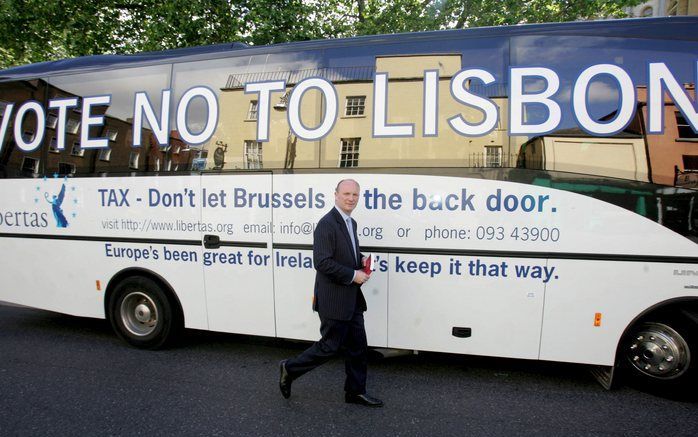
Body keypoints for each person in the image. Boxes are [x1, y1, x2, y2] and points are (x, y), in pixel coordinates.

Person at [279, 178, 383, 407]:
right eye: (346, 193)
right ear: (335, 194)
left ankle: (355, 392)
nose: (351, 198)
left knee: (358, 347)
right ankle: (290, 368)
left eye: (355, 195)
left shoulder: (350, 223)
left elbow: (344, 254)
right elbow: (322, 262)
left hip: (352, 298)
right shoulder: (327, 224)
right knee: (329, 346)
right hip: (334, 299)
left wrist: (361, 259)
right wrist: (353, 275)